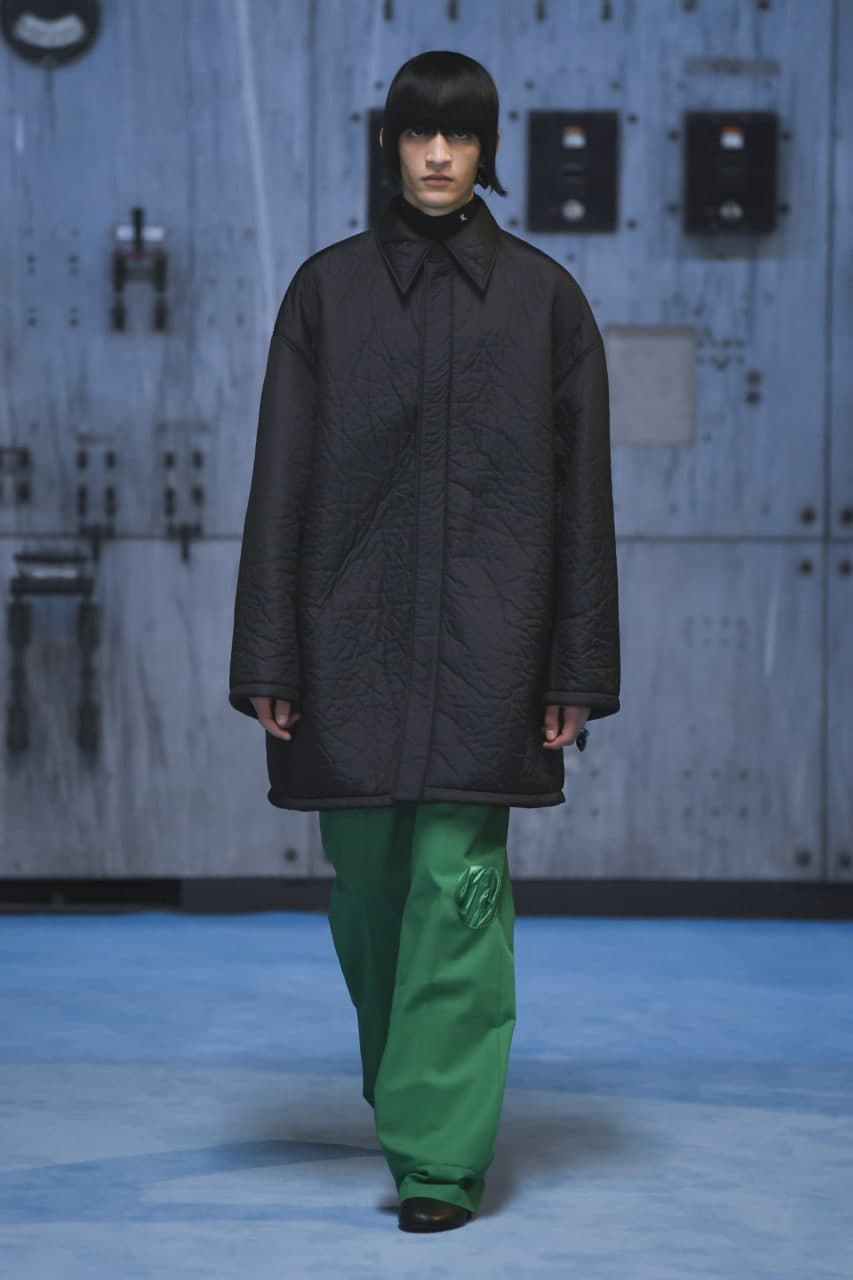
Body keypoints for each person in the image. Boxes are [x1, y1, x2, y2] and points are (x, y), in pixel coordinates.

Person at [228, 49, 620, 1233]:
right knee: (369, 897)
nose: (439, 155)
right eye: (418, 133)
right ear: (389, 144)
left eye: (460, 135)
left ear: (488, 150)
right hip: (346, 649)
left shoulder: (546, 302)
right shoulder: (325, 294)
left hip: (491, 654)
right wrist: (268, 657)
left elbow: (583, 507)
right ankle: (410, 1092)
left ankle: (439, 1158)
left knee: (458, 895)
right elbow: (278, 485)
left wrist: (576, 668)